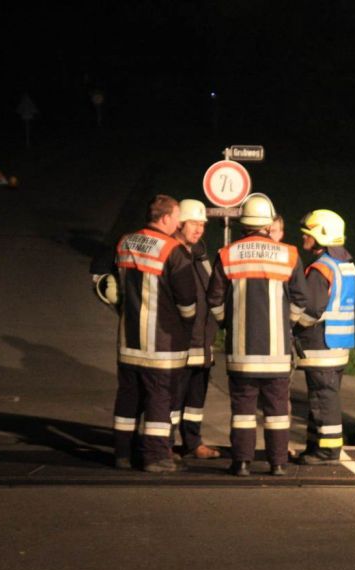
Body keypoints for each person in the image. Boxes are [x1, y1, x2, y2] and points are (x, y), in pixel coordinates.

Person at [206, 193, 319, 476]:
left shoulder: (227, 254)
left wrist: (227, 323)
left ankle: (242, 463)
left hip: (241, 352)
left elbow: (214, 300)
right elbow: (302, 299)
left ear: (244, 223)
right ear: (269, 224)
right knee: (277, 410)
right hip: (277, 353)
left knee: (243, 410)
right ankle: (277, 463)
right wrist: (286, 323)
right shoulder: (288, 254)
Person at [111, 195, 197, 473]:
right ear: (166, 218)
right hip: (161, 344)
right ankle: (156, 457)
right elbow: (187, 301)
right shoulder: (173, 250)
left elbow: (113, 286)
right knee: (159, 399)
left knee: (128, 398)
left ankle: (122, 454)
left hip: (128, 340)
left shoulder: (125, 242)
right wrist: (187, 324)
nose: (178, 223)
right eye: (177, 218)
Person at [293, 209, 355, 465]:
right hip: (339, 342)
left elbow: (311, 310)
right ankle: (315, 446)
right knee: (322, 399)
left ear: (321, 235)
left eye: (306, 233)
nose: (303, 238)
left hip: (320, 344)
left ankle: (327, 451)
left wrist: (293, 326)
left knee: (323, 398)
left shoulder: (321, 269)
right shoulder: (344, 264)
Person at [169, 199, 220, 460]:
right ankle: (164, 444)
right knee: (172, 400)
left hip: (202, 342)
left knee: (195, 401)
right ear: (179, 223)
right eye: (193, 223)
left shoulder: (200, 254)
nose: (199, 229)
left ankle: (192, 442)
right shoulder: (171, 252)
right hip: (178, 343)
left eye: (202, 224)